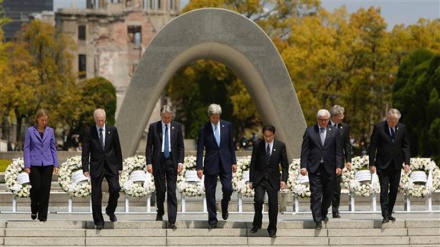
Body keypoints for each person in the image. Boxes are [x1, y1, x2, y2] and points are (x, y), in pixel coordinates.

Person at [300, 109, 343, 229]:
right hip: (314, 167)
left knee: (329, 193)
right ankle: (317, 219)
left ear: (328, 120)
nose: (323, 122)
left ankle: (323, 212)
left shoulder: (334, 131)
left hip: (330, 167)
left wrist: (339, 166)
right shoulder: (310, 131)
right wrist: (303, 166)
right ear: (317, 119)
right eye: (321, 120)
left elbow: (339, 150)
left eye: (325, 120)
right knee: (315, 193)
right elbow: (305, 150)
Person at [196, 103, 237, 229]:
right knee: (210, 192)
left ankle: (224, 205)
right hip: (211, 163)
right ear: (209, 116)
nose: (215, 119)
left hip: (225, 162)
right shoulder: (204, 129)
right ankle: (212, 219)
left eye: (217, 117)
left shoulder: (227, 126)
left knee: (228, 188)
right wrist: (199, 167)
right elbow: (200, 149)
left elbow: (231, 145)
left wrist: (234, 162)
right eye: (213, 117)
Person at [82, 108, 123, 230]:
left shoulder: (112, 130)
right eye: (98, 121)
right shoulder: (89, 132)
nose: (101, 123)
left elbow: (117, 149)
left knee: (115, 188)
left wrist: (120, 166)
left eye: (102, 120)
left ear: (105, 119)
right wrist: (85, 167)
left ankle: (110, 210)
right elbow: (85, 152)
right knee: (96, 195)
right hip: (96, 166)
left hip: (111, 166)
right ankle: (98, 221)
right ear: (95, 120)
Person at [146, 105, 185, 230]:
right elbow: (148, 147)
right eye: (165, 117)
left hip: (172, 162)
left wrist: (180, 162)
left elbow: (180, 146)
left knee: (172, 191)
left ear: (171, 116)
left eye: (169, 117)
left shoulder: (177, 127)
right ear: (161, 116)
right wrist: (149, 163)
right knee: (160, 190)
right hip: (158, 160)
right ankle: (160, 211)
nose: (167, 120)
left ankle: (172, 220)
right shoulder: (154, 127)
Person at [368, 108, 410, 224]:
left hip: (396, 164)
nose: (393, 123)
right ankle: (385, 214)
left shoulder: (402, 128)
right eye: (392, 121)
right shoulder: (379, 127)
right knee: (384, 188)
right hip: (382, 164)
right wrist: (372, 163)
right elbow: (372, 146)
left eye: (396, 121)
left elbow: (405, 146)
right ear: (388, 118)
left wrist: (407, 163)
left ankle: (390, 212)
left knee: (394, 190)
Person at [249, 124, 288, 238]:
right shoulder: (258, 145)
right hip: (260, 179)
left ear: (274, 135)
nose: (268, 138)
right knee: (259, 200)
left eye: (270, 136)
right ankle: (257, 223)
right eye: (265, 136)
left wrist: (284, 180)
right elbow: (253, 163)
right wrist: (251, 180)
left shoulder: (280, 146)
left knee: (273, 204)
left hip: (273, 179)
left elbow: (285, 165)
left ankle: (272, 228)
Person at [23, 109, 59, 222]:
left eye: (46, 120)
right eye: (42, 120)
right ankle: (34, 207)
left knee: (45, 189)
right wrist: (27, 165)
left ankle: (43, 216)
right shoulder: (30, 131)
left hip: (48, 163)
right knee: (36, 188)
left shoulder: (50, 131)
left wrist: (56, 164)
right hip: (34, 164)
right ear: (37, 119)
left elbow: (53, 147)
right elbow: (27, 148)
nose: (44, 122)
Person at [329, 105, 352, 218]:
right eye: (341, 115)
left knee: (336, 187)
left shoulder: (344, 127)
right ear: (334, 116)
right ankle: (323, 208)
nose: (343, 117)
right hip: (326, 161)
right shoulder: (325, 126)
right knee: (325, 186)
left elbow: (347, 144)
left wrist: (348, 160)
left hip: (338, 162)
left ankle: (335, 210)